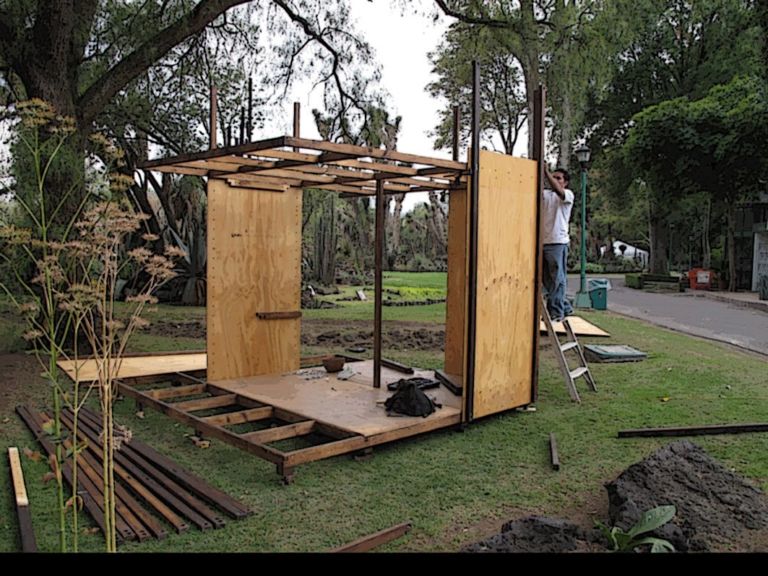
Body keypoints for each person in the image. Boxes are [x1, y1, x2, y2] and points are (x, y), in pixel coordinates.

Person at [542, 167, 574, 322]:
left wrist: (546, 172)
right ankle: (565, 307)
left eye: (558, 178)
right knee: (546, 280)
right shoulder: (545, 195)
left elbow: (558, 190)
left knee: (557, 279)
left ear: (565, 182)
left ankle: (556, 313)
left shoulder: (567, 195)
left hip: (558, 243)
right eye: (553, 177)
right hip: (543, 242)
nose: (554, 180)